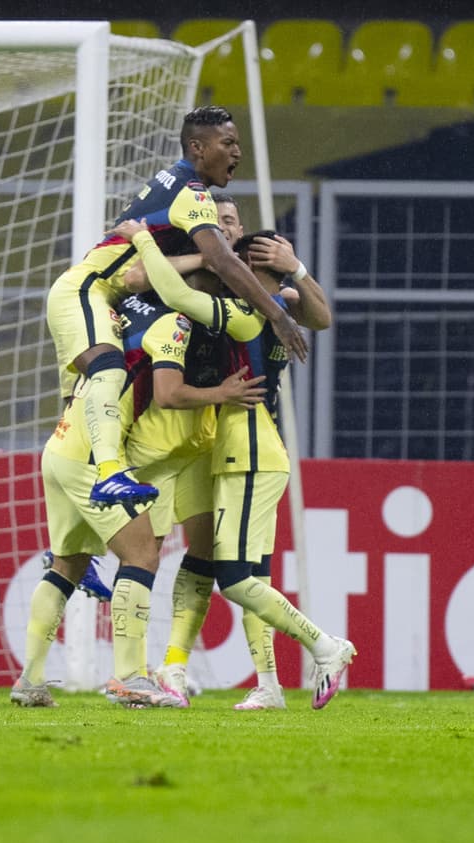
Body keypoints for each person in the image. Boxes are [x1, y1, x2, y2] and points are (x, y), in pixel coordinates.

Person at [120, 218, 354, 710]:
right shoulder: (270, 311)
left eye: (242, 267)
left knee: (234, 578)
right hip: (246, 450)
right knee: (256, 576)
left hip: (247, 453)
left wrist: (142, 238)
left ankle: (326, 647)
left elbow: (172, 291)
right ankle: (268, 685)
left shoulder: (242, 314)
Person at [12, 259, 265, 709]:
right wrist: (220, 394)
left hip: (65, 443)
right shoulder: (173, 323)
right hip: (94, 454)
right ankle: (129, 677)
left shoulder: (130, 308)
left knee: (67, 566)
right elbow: (167, 391)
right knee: (142, 555)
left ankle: (29, 680)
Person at [45, 105, 307, 511]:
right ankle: (109, 473)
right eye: (229, 143)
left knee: (83, 406)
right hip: (88, 290)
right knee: (107, 371)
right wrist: (277, 315)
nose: (238, 152)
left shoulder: (177, 180)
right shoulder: (192, 193)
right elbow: (220, 260)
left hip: (102, 296)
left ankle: (71, 542)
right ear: (198, 148)